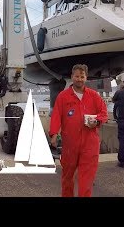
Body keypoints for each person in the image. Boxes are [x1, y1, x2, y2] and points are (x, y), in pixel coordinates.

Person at [49, 64, 108, 197]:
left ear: (86, 78)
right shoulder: (63, 97)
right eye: (77, 76)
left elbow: (104, 113)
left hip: (90, 144)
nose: (79, 79)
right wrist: (53, 134)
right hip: (70, 145)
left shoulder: (94, 96)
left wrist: (97, 121)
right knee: (67, 177)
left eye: (82, 76)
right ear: (72, 77)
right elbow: (56, 116)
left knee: (86, 180)